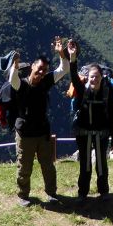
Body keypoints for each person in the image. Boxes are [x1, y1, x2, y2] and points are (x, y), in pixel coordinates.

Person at [9, 37, 69, 207]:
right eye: (40, 69)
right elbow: (12, 80)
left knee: (48, 166)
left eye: (45, 70)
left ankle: (51, 193)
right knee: (24, 167)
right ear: (32, 67)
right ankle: (23, 195)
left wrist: (61, 53)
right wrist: (14, 66)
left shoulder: (45, 81)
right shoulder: (21, 85)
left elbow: (63, 69)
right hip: (25, 134)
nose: (42, 73)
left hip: (42, 133)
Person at [67, 39, 113, 206]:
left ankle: (103, 192)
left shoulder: (108, 91)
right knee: (85, 165)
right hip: (84, 133)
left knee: (101, 165)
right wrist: (72, 58)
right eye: (91, 77)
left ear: (101, 77)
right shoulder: (82, 90)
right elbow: (74, 77)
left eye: (96, 76)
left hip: (101, 133)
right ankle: (83, 193)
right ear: (88, 78)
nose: (94, 79)